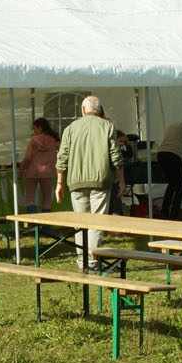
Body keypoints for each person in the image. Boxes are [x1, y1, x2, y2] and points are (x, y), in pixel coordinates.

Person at [55, 95, 125, 269]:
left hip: (76, 182)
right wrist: (122, 181)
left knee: (80, 225)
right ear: (99, 110)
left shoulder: (70, 128)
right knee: (96, 223)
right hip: (100, 181)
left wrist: (59, 183)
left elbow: (62, 157)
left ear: (83, 110)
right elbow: (116, 156)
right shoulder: (107, 126)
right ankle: (92, 262)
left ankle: (82, 261)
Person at [154, 113, 182, 221]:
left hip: (161, 154)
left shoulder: (174, 124)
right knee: (180, 185)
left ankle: (164, 212)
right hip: (173, 155)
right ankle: (174, 215)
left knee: (172, 183)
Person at [18, 117, 59, 214]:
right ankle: (45, 223)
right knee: (47, 200)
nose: (34, 131)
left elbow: (27, 158)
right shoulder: (54, 140)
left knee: (30, 199)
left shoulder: (33, 141)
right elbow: (63, 152)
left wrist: (21, 170)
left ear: (40, 128)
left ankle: (33, 220)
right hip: (48, 172)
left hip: (32, 172)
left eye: (35, 128)